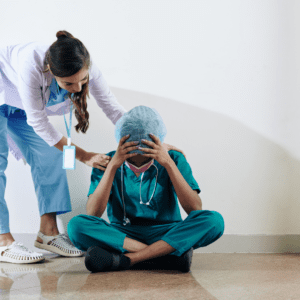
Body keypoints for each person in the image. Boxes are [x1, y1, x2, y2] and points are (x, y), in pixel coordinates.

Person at [0, 31, 182, 264]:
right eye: (68, 83)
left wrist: (149, 139)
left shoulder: (88, 68)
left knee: (51, 155)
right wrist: (84, 156)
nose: (76, 88)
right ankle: (2, 240)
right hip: (4, 88)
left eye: (82, 81)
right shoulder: (30, 66)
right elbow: (38, 121)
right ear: (50, 71)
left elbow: (112, 108)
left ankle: (48, 233)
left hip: (20, 104)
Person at [67, 106, 225, 273]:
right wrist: (113, 166)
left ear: (157, 141)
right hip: (123, 234)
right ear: (122, 141)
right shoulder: (105, 162)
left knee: (214, 221)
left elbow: (194, 208)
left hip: (167, 232)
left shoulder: (173, 158)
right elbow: (92, 213)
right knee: (76, 226)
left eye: (147, 152)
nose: (139, 158)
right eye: (131, 153)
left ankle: (129, 259)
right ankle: (165, 257)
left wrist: (168, 164)